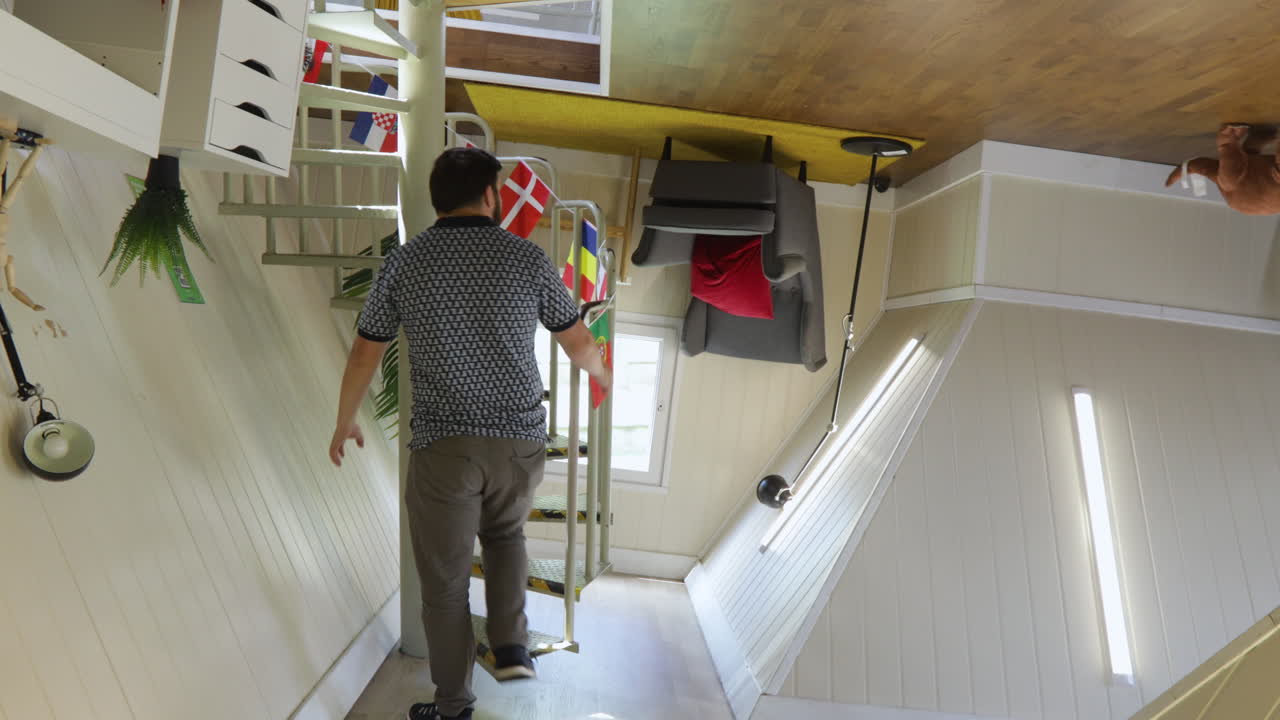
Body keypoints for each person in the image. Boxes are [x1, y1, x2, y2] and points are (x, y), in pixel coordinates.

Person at [328, 147, 611, 720]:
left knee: (445, 585)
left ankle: (454, 705)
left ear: (438, 198)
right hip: (519, 442)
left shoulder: (405, 262)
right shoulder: (527, 258)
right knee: (506, 538)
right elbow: (577, 341)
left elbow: (365, 350)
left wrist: (344, 419)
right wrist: (604, 373)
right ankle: (510, 643)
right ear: (490, 195)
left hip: (445, 448)